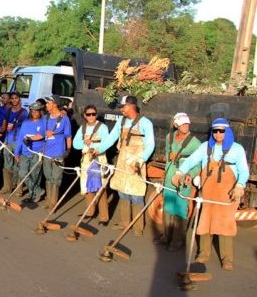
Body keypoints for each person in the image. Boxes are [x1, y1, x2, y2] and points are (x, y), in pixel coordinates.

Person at [172, 118, 249, 271]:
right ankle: (203, 254)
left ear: (227, 131)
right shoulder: (205, 147)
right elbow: (191, 160)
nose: (218, 134)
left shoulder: (237, 149)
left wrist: (240, 186)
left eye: (221, 131)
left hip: (227, 193)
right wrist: (179, 172)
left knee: (225, 224)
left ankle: (227, 259)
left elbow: (244, 170)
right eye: (215, 131)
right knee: (205, 221)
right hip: (208, 191)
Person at [97, 95, 155, 236]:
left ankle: (138, 227)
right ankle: (124, 222)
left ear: (131, 106)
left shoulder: (146, 123)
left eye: (123, 107)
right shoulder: (121, 122)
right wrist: (97, 149)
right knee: (122, 191)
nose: (121, 110)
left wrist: (140, 160)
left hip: (136, 162)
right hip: (122, 160)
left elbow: (150, 144)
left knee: (136, 194)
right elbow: (111, 138)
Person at [158, 113, 201, 251]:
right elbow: (167, 154)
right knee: (168, 205)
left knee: (180, 208)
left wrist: (191, 174)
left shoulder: (195, 142)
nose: (186, 126)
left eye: (187, 123)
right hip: (170, 175)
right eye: (183, 124)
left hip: (183, 178)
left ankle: (177, 241)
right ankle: (166, 236)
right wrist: (165, 173)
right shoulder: (169, 137)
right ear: (176, 124)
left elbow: (199, 163)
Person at [73, 105, 110, 223]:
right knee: (87, 186)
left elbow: (106, 143)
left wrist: (93, 146)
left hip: (99, 159)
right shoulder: (82, 128)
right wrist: (85, 144)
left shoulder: (103, 127)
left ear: (96, 114)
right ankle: (90, 212)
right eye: (88, 114)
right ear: (85, 116)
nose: (91, 116)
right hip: (86, 160)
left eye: (93, 114)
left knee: (101, 186)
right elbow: (75, 144)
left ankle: (104, 217)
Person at [41, 95, 72, 209]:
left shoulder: (64, 118)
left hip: (58, 152)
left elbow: (68, 136)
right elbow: (42, 132)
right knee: (48, 176)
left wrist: (68, 151)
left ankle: (53, 203)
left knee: (56, 178)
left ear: (55, 104)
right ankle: (48, 201)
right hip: (46, 152)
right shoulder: (45, 117)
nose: (46, 105)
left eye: (48, 103)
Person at [14, 102, 46, 204]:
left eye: (36, 111)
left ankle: (33, 195)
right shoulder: (26, 122)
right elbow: (20, 138)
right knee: (22, 173)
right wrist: (16, 152)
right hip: (24, 152)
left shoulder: (44, 122)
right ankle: (38, 191)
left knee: (35, 175)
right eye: (32, 111)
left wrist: (31, 138)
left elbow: (42, 135)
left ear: (40, 111)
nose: (34, 113)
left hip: (37, 153)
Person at [0, 93, 28, 194]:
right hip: (8, 141)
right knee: (7, 164)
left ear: (20, 99)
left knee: (18, 165)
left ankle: (18, 189)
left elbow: (25, 128)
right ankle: (7, 187)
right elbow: (4, 126)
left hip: (18, 142)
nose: (14, 100)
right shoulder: (7, 112)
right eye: (12, 98)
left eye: (16, 98)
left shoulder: (24, 112)